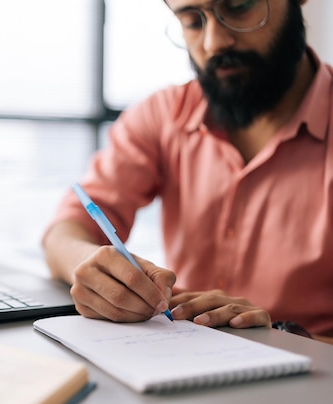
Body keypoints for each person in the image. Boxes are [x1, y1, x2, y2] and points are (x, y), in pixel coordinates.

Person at [42, 0, 333, 344]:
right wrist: (91, 266)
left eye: (239, 8)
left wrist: (280, 335)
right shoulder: (162, 116)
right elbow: (65, 231)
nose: (214, 42)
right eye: (192, 20)